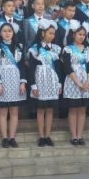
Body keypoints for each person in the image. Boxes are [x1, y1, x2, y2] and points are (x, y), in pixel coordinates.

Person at [0, 22, 27, 148]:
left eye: (9, 31)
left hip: (15, 80)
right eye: (4, 31)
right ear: (0, 33)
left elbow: (22, 66)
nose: (7, 33)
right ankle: (4, 138)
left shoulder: (18, 47)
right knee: (3, 111)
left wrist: (22, 82)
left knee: (14, 111)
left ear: (13, 33)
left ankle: (12, 137)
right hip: (2, 80)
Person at [27, 19, 62, 147]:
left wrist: (59, 84)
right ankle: (41, 136)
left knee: (50, 110)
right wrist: (33, 85)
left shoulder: (56, 49)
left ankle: (48, 135)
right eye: (50, 33)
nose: (52, 36)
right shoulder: (35, 49)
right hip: (40, 79)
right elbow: (31, 68)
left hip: (52, 80)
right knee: (41, 109)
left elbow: (58, 68)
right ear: (43, 33)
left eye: (53, 34)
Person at [62, 20, 89, 145]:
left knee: (82, 110)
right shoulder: (67, 49)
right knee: (73, 110)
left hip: (86, 82)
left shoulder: (88, 50)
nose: (82, 37)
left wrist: (87, 82)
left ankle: (79, 135)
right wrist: (78, 83)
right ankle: (73, 136)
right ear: (73, 35)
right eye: (79, 34)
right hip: (72, 82)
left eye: (83, 35)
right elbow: (67, 68)